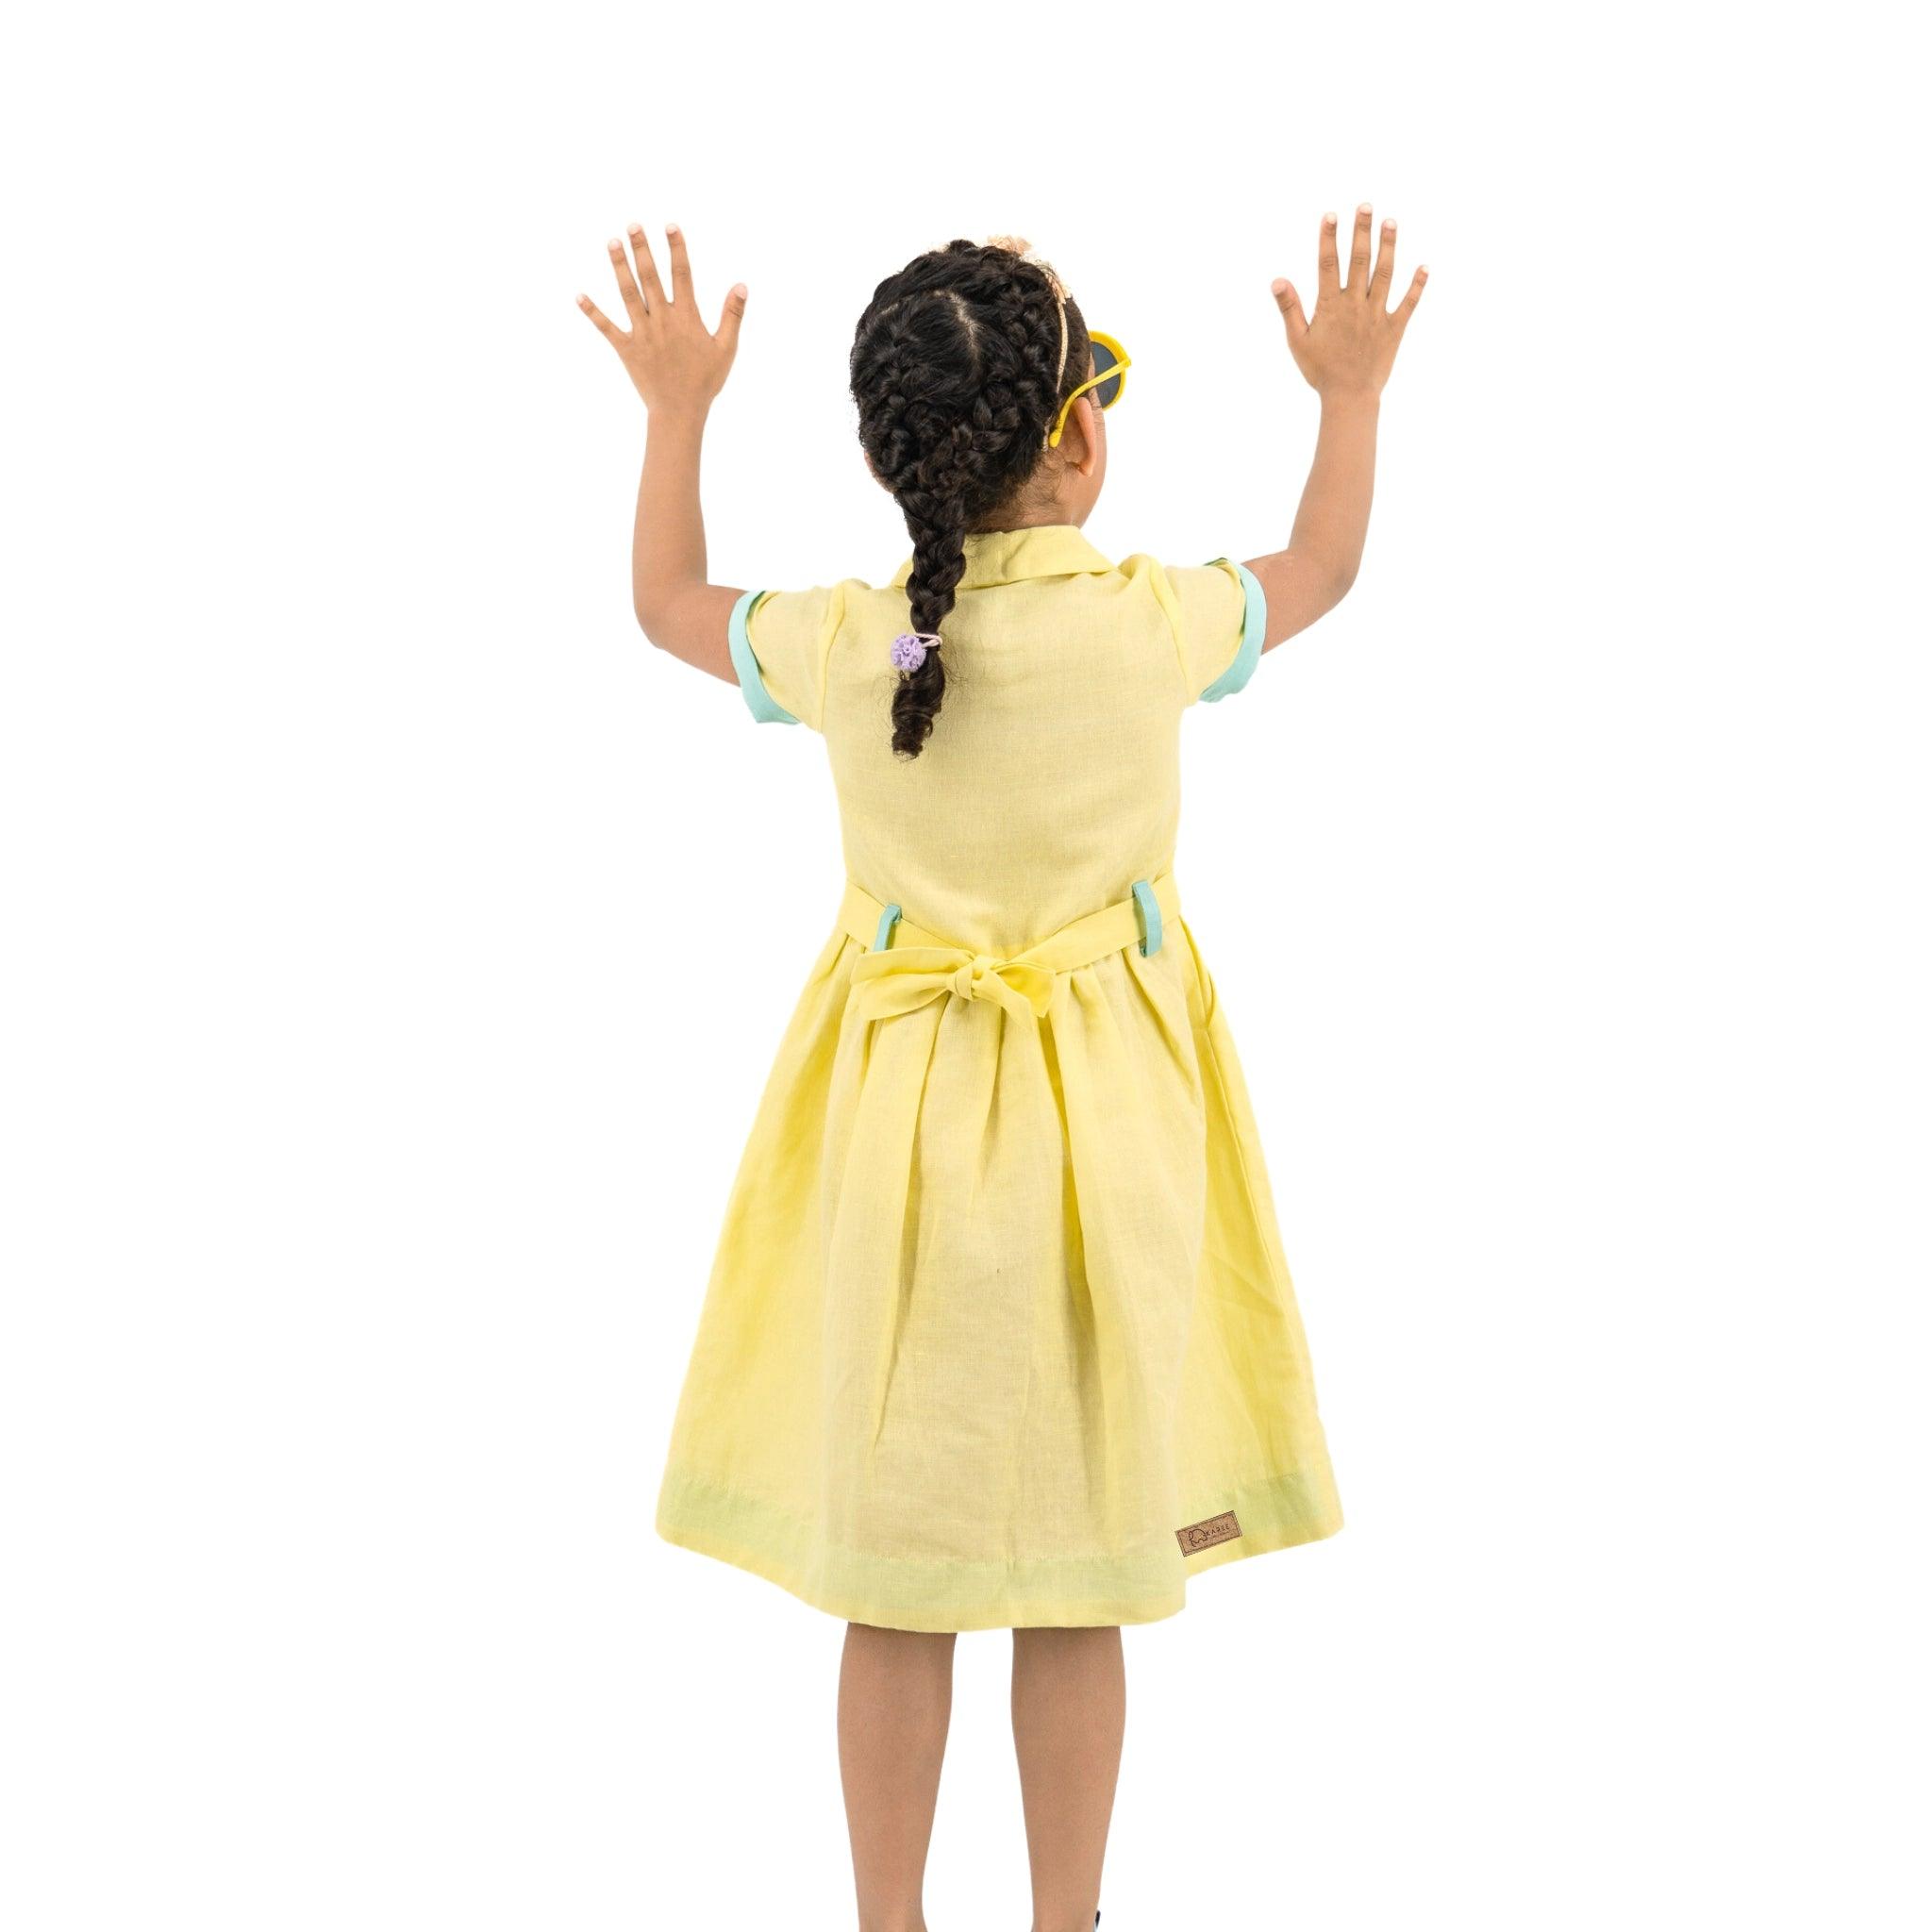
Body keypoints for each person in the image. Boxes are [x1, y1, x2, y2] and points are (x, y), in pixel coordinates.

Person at [578, 207, 1426, 1932]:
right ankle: (1068, 1922)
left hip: (897, 1150)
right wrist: (1350, 394)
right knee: (1079, 1575)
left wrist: (675, 413)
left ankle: (886, 1920)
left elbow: (667, 599)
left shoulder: (855, 643)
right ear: (1083, 433)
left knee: (893, 1590)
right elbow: (1324, 565)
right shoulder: (1147, 627)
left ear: (897, 457)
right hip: (1107, 1150)